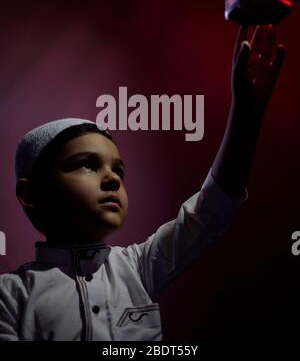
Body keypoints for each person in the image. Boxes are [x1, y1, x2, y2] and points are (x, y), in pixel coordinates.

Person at [0, 25, 285, 341]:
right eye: (85, 164)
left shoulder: (136, 266)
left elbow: (212, 208)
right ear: (31, 194)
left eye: (118, 170)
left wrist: (246, 114)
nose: (111, 178)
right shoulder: (10, 296)